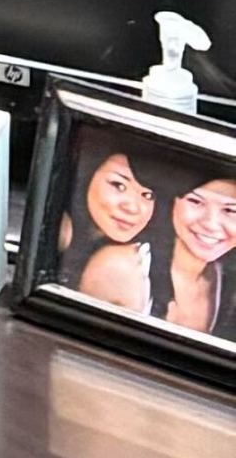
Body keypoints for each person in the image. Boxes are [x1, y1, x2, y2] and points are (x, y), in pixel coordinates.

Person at [66, 140, 169, 320]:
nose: (132, 207)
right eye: (118, 185)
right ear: (87, 173)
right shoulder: (61, 230)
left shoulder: (126, 263)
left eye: (148, 195)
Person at [172, 177, 236, 335]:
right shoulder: (124, 268)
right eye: (195, 201)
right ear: (173, 202)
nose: (210, 224)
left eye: (230, 210)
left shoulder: (222, 280)